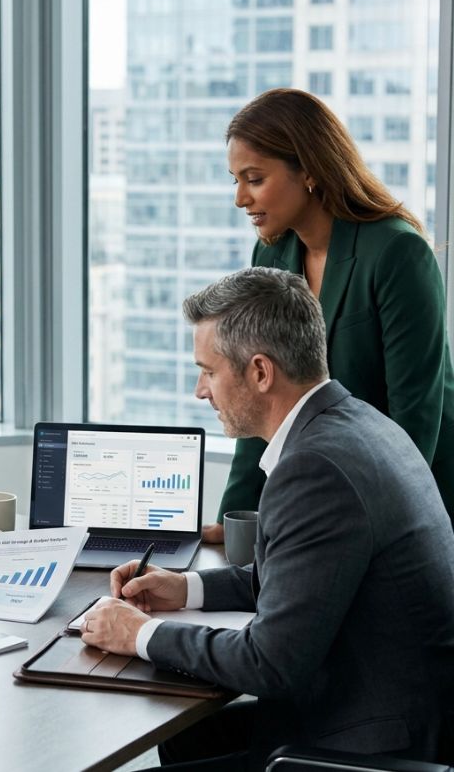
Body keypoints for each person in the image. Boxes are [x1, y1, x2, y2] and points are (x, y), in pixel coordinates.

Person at [80, 267, 454, 767]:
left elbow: (270, 663)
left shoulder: (314, 468)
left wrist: (138, 634)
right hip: (385, 709)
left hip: (365, 743)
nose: (200, 390)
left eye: (208, 371)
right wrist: (187, 587)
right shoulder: (358, 424)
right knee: (183, 736)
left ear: (260, 371)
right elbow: (302, 582)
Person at [203, 88, 454, 543]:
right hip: (327, 491)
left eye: (254, 179)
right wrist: (234, 521)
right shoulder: (272, 253)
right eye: (234, 179)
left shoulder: (397, 253)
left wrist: (350, 526)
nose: (240, 197)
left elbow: (413, 424)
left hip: (406, 504)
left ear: (310, 171)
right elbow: (257, 395)